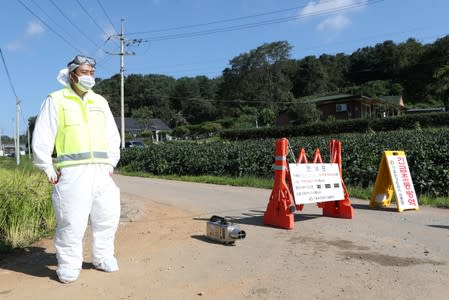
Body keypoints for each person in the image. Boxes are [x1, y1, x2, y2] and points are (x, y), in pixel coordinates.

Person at [32, 55, 121, 283]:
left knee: (107, 217)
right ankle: (70, 265)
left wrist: (111, 162)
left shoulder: (100, 101)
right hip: (72, 172)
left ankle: (103, 257)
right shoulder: (56, 99)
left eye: (91, 73)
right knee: (72, 221)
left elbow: (112, 134)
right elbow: (43, 134)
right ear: (72, 74)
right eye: (84, 72)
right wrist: (46, 166)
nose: (89, 77)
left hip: (101, 171)